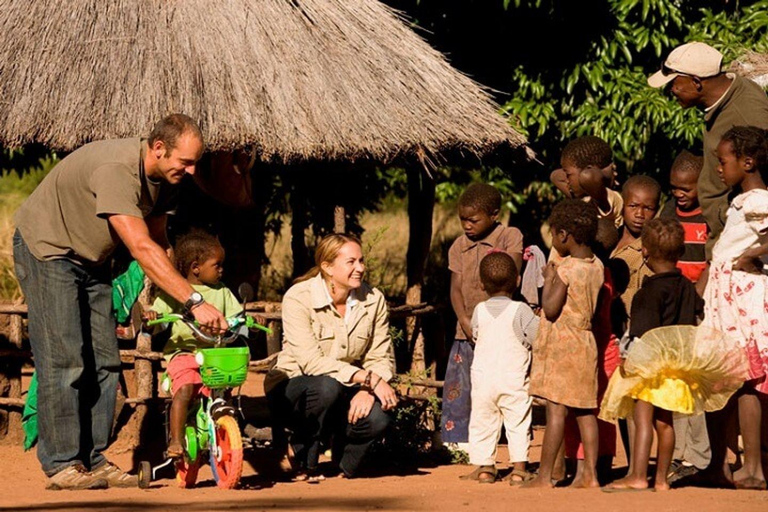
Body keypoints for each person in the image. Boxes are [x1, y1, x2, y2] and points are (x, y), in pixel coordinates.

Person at [12, 114, 228, 490]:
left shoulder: (167, 179)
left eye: (196, 162)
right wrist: (194, 301)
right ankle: (62, 463)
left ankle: (93, 459)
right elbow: (140, 246)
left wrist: (170, 296)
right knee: (64, 357)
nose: (192, 171)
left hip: (92, 258)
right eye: (186, 162)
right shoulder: (118, 170)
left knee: (105, 359)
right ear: (158, 148)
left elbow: (160, 241)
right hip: (48, 251)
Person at [265, 234, 398, 481]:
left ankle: (343, 464)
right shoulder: (298, 297)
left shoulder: (373, 299)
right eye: (351, 262)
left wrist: (367, 389)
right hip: (295, 387)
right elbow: (311, 362)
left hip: (344, 388)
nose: (360, 268)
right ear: (327, 267)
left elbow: (380, 354)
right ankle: (303, 454)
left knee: (381, 414)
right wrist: (366, 377)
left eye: (361, 261)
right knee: (326, 387)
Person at [602, 218, 704, 492]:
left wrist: (627, 360)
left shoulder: (647, 292)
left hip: (650, 368)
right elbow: (698, 310)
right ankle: (660, 480)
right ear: (680, 252)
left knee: (643, 419)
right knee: (665, 423)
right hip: (677, 367)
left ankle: (637, 476)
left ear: (644, 251)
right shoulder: (685, 286)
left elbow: (640, 335)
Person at [648, 41, 768, 257]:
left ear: (696, 82)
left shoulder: (747, 115)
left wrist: (729, 216)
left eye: (674, 84)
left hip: (742, 248)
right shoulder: (726, 100)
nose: (671, 91)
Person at [700, 126, 768, 490]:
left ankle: (754, 468)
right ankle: (719, 465)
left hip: (743, 304)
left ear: (748, 162)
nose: (719, 170)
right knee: (727, 382)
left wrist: (750, 256)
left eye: (723, 162)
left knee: (745, 384)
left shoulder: (758, 199)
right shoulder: (741, 202)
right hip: (727, 303)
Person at [524, 199, 603, 489]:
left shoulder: (567, 268)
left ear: (564, 236)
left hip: (563, 344)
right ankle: (591, 475)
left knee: (556, 410)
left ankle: (544, 477)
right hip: (585, 341)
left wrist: (550, 277)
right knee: (585, 411)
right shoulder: (597, 265)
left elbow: (551, 307)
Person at [146, 231, 244, 459]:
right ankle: (176, 440)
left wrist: (248, 320)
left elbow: (238, 317)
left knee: (224, 389)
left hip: (214, 353)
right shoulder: (176, 291)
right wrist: (152, 318)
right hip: (183, 352)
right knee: (186, 389)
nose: (222, 270)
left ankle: (227, 434)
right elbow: (159, 317)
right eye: (216, 265)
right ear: (196, 267)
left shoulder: (223, 292)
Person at [441, 183, 523, 449]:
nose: (467, 225)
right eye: (462, 219)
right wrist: (464, 320)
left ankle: (503, 438)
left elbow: (510, 276)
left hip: (501, 328)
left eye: (473, 220)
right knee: (460, 386)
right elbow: (455, 288)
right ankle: (458, 443)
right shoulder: (458, 246)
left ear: (495, 214)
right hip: (465, 331)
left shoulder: (510, 237)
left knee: (500, 384)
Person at [461, 251, 538, 485]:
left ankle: (485, 468)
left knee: (484, 420)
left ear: (482, 285)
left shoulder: (478, 311)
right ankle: (519, 469)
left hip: (483, 378)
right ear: (517, 281)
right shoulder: (521, 310)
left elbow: (476, 335)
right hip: (513, 377)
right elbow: (536, 336)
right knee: (517, 422)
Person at [659, 151, 712, 482]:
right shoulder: (668, 211)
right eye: (675, 187)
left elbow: (710, 263)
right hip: (673, 305)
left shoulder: (709, 215)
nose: (679, 194)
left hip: (698, 307)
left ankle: (698, 455)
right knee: (674, 381)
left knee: (694, 384)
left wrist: (695, 301)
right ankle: (680, 454)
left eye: (686, 189)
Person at [563, 218, 620, 485]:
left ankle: (581, 467)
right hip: (607, 348)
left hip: (587, 348)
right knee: (604, 413)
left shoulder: (586, 272)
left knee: (578, 410)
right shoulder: (606, 272)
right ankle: (603, 465)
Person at [610, 175, 661, 332]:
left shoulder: (652, 253)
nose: (639, 214)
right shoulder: (609, 239)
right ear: (622, 206)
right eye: (633, 206)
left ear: (657, 210)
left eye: (648, 208)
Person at [550, 135, 623, 228]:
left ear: (588, 169)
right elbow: (555, 176)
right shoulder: (585, 199)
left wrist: (607, 173)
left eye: (568, 175)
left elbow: (587, 177)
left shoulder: (609, 199)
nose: (567, 181)